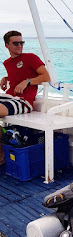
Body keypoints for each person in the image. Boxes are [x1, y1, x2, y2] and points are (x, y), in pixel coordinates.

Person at [0, 30, 50, 165]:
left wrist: (28, 81)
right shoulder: (7, 62)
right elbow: (17, 75)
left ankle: (2, 154)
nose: (19, 45)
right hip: (8, 97)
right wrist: (5, 78)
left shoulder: (30, 58)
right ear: (6, 45)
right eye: (15, 43)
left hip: (23, 101)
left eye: (21, 42)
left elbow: (46, 76)